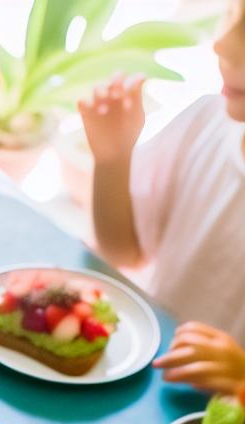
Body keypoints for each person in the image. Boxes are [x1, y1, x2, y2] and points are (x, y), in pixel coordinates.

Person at [78, 4, 245, 393]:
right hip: (152, 387)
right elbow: (125, 251)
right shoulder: (207, 122)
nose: (221, 44)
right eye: (231, 17)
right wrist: (112, 158)